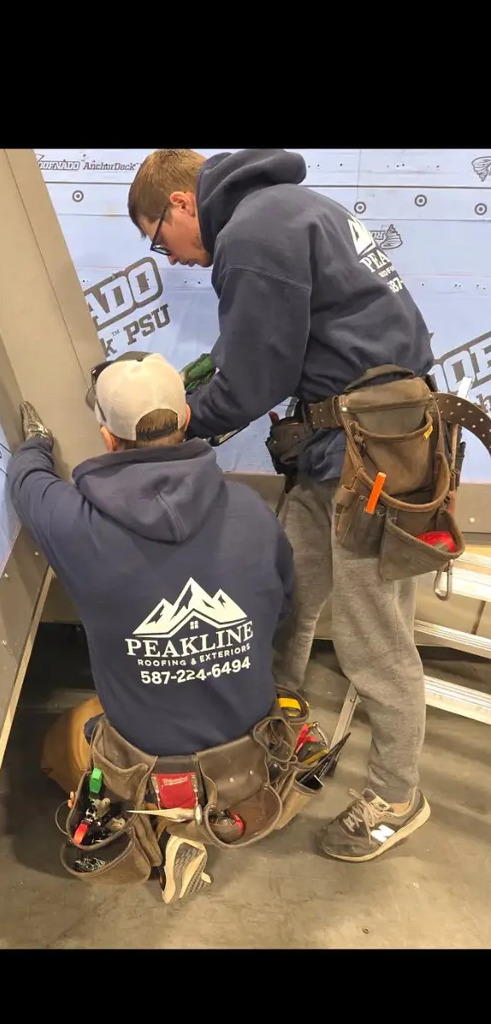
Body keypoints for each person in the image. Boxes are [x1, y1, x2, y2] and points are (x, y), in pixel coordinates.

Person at [127, 146, 436, 863]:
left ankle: (396, 794)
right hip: (343, 445)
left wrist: (165, 426)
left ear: (179, 205)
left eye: (155, 237)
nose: (167, 259)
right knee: (284, 591)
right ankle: (278, 731)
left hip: (375, 456)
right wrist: (187, 382)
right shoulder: (289, 211)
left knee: (371, 640)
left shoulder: (256, 233)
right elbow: (257, 352)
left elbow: (250, 382)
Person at [8, 351, 299, 902]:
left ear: (107, 438)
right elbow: (282, 607)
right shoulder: (252, 512)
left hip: (149, 763)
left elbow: (28, 483)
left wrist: (36, 444)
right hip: (253, 753)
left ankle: (156, 829)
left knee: (60, 741)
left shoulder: (74, 525)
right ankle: (201, 820)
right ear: (185, 419)